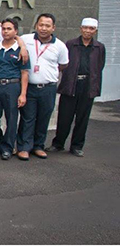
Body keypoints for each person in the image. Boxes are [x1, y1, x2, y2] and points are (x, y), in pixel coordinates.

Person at [48, 18, 105, 157]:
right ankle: (58, 143)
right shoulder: (71, 44)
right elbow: (63, 63)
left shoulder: (99, 47)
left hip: (88, 86)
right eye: (85, 28)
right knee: (64, 116)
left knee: (82, 118)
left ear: (95, 31)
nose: (87, 31)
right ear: (80, 28)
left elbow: (100, 65)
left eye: (91, 29)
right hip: (70, 84)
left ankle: (77, 146)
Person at [17, 14, 69, 160]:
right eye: (41, 25)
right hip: (29, 87)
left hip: (48, 88)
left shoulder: (60, 46)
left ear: (53, 28)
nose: (43, 28)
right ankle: (24, 147)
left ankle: (38, 146)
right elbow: (14, 37)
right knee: (27, 118)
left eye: (47, 26)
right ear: (36, 26)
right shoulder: (27, 39)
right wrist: (21, 45)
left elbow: (63, 65)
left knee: (44, 117)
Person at [0, 18, 30, 160]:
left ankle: (7, 147)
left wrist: (23, 94)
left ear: (15, 31)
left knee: (11, 118)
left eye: (9, 29)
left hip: (13, 86)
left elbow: (25, 73)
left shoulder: (21, 51)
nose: (5, 31)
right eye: (3, 29)